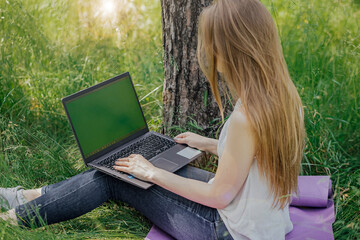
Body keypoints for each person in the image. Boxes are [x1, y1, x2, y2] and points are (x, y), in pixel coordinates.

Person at [0, 0, 305, 239]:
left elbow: (220, 195)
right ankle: (32, 196)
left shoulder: (244, 117)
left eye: (214, 45)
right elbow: (254, 155)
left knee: (116, 176)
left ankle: (14, 218)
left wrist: (151, 172)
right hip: (261, 224)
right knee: (125, 168)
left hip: (223, 231)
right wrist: (208, 144)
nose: (211, 53)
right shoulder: (282, 95)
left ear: (234, 50)